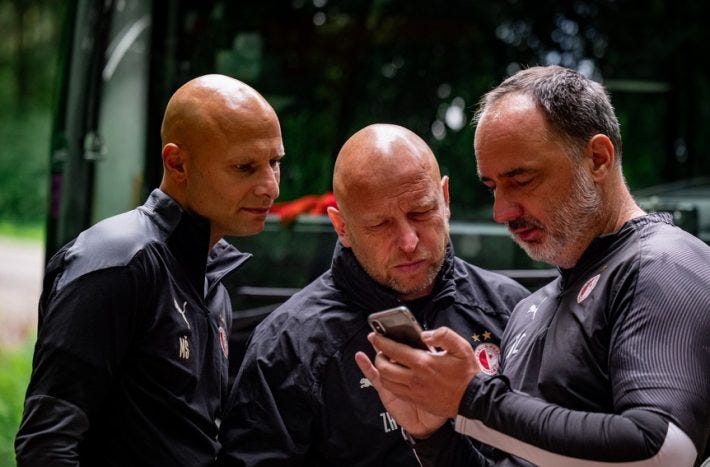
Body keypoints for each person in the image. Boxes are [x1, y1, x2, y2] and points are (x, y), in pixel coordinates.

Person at [356, 65, 710, 466]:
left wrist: (472, 399)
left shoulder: (663, 263)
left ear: (597, 158)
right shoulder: (529, 309)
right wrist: (434, 436)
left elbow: (664, 449)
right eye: (492, 187)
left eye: (521, 180)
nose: (501, 211)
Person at [216, 123, 530, 466]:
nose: (409, 241)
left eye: (421, 212)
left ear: (446, 200)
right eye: (380, 225)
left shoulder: (510, 309)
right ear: (342, 228)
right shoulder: (288, 343)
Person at [15, 74, 284, 465]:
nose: (270, 186)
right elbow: (46, 444)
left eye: (274, 162)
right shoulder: (118, 263)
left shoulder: (210, 280)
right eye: (245, 167)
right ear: (177, 163)